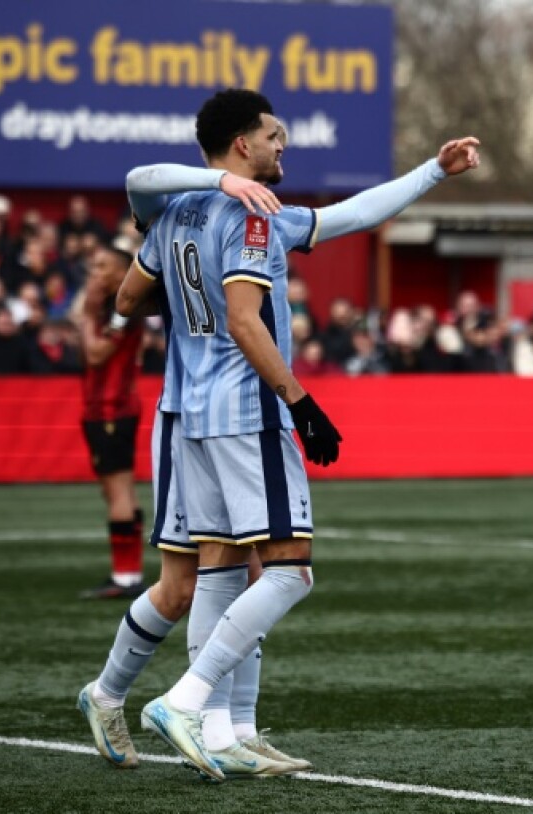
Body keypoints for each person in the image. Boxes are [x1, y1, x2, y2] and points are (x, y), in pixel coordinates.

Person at [77, 87, 480, 780]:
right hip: (243, 413)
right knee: (290, 569)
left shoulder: (172, 212)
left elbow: (127, 296)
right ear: (242, 145)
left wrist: (432, 172)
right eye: (273, 135)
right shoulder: (251, 217)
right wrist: (300, 401)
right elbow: (242, 320)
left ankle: (222, 727)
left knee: (221, 575)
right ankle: (188, 700)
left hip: (187, 415)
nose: (283, 144)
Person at [77, 242, 147, 598]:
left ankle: (125, 577)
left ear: (122, 271)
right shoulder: (109, 308)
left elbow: (96, 352)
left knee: (118, 489)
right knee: (117, 490)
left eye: (102, 267)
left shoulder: (123, 309)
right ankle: (129, 573)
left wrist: (88, 316)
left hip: (112, 409)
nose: (95, 273)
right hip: (102, 408)